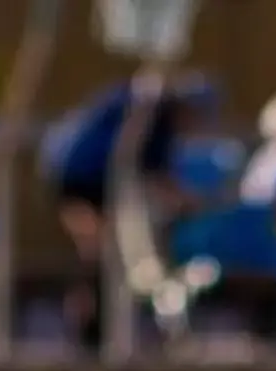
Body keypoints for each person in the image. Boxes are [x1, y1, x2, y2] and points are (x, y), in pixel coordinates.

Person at [43, 71, 215, 350]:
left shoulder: (141, 111)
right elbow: (160, 181)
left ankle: (101, 329)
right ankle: (93, 330)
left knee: (105, 253)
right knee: (100, 253)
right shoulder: (152, 119)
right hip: (79, 179)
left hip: (89, 177)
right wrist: (195, 203)